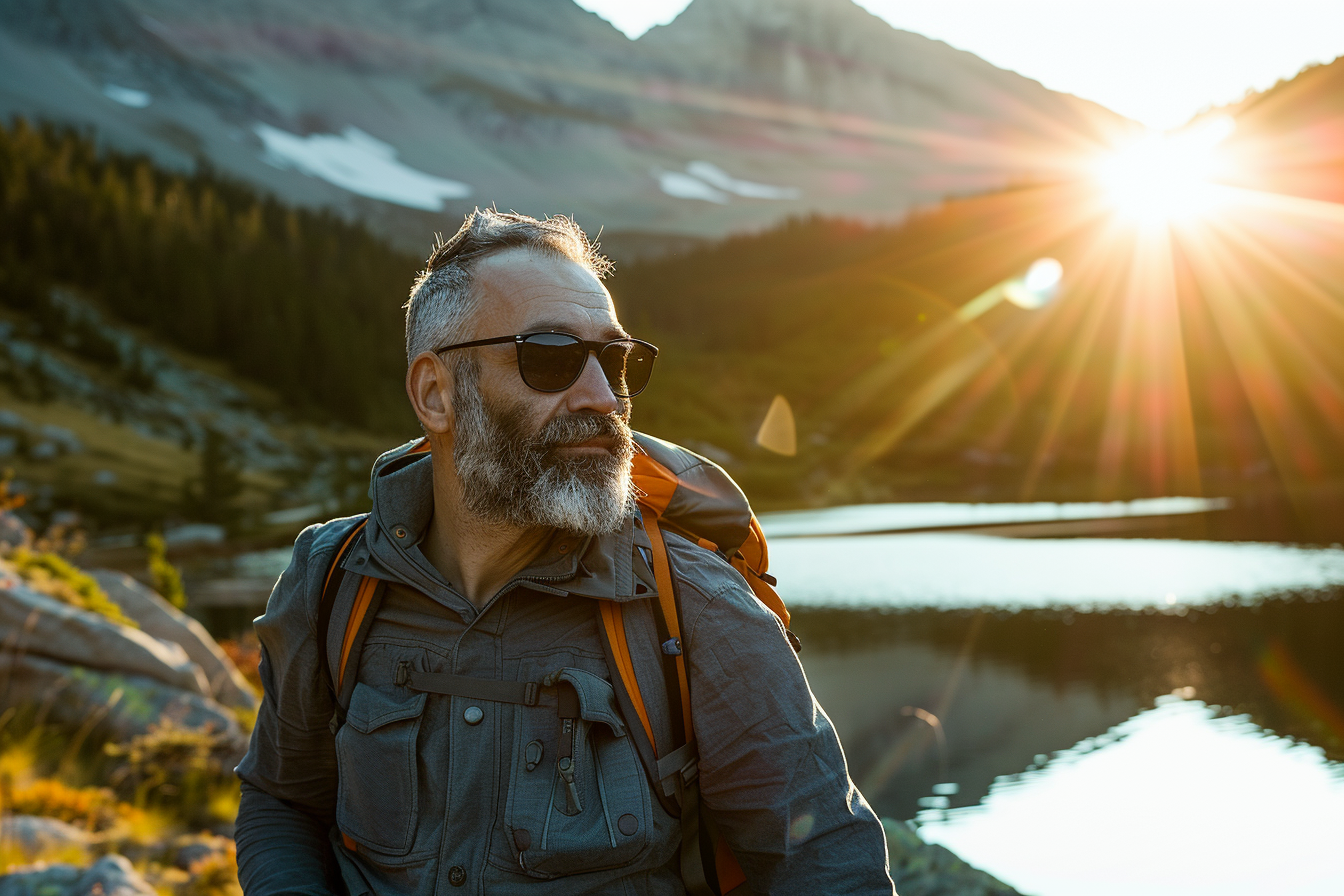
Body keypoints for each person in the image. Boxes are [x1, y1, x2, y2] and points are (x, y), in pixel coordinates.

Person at [234, 209, 896, 895]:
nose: (604, 397)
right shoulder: (331, 581)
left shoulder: (697, 607)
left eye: (616, 361)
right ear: (435, 395)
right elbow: (283, 801)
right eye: (549, 356)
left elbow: (829, 870)